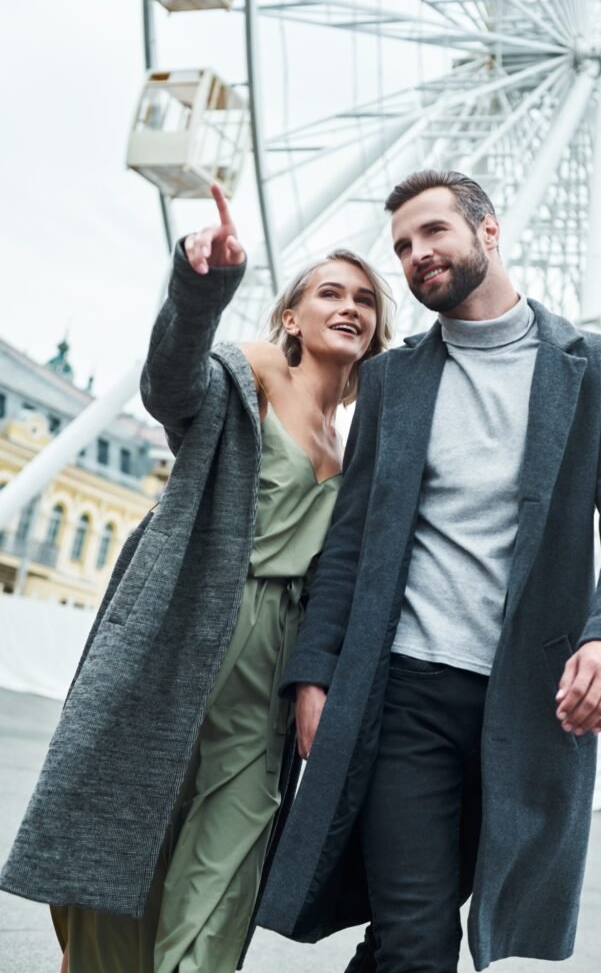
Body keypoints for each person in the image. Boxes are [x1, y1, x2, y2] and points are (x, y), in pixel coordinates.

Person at [257, 170, 601, 972]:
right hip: (402, 694)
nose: (416, 254)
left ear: (488, 231)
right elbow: (350, 543)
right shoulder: (393, 380)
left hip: (528, 704)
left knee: (402, 933)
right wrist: (316, 675)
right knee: (420, 939)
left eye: (433, 232)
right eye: (402, 246)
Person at [0, 185, 394, 973]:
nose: (349, 307)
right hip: (190, 619)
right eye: (330, 293)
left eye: (364, 300)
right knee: (127, 821)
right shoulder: (254, 373)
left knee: (230, 854)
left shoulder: (357, 450)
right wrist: (201, 285)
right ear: (291, 317)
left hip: (276, 661)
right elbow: (171, 385)